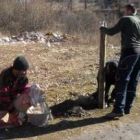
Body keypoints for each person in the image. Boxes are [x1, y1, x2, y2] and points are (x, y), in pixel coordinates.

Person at [100, 4, 140, 118]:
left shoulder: (126, 19)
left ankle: (118, 109)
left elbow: (112, 31)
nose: (123, 13)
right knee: (133, 80)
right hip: (139, 53)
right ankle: (127, 108)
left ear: (128, 10)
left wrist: (103, 28)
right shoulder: (138, 21)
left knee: (121, 79)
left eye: (124, 11)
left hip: (129, 51)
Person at [0, 55, 31, 128]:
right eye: (24, 70)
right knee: (3, 112)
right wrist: (16, 113)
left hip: (12, 99)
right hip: (2, 102)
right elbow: (5, 102)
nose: (25, 72)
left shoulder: (22, 76)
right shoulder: (5, 77)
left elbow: (25, 87)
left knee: (28, 95)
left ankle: (14, 118)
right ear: (17, 70)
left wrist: (33, 91)